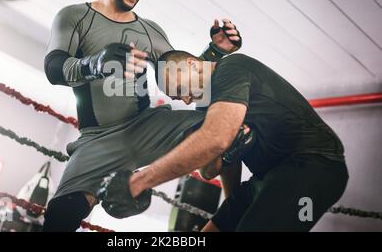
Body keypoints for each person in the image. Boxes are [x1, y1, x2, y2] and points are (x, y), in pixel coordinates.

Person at [42, 0, 245, 231]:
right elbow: (54, 68)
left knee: (227, 124)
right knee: (60, 215)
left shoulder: (150, 31)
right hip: (99, 137)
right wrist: (94, 63)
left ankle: (234, 205)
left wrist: (215, 52)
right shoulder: (75, 16)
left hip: (148, 125)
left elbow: (180, 78)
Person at [100, 50, 349, 231]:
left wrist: (138, 181)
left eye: (180, 90)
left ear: (192, 65)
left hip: (314, 167)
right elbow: (208, 170)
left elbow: (216, 139)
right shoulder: (205, 106)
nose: (185, 100)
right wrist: (232, 204)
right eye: (178, 97)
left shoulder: (232, 68)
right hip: (265, 179)